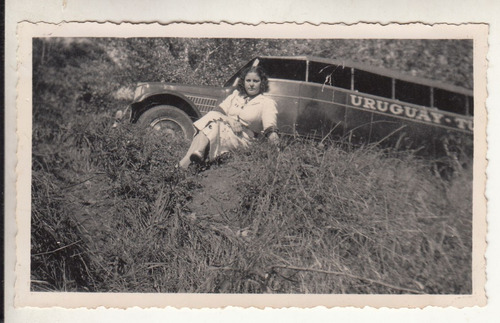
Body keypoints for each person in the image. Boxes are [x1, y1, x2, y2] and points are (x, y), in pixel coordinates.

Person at [179, 65, 279, 169]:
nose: (251, 84)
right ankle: (194, 157)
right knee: (212, 122)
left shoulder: (267, 103)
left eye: (256, 81)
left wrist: (276, 150)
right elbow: (218, 111)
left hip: (244, 139)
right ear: (243, 82)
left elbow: (270, 128)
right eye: (248, 80)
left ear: (262, 83)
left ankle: (184, 164)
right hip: (225, 130)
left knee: (211, 126)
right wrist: (229, 120)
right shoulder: (236, 96)